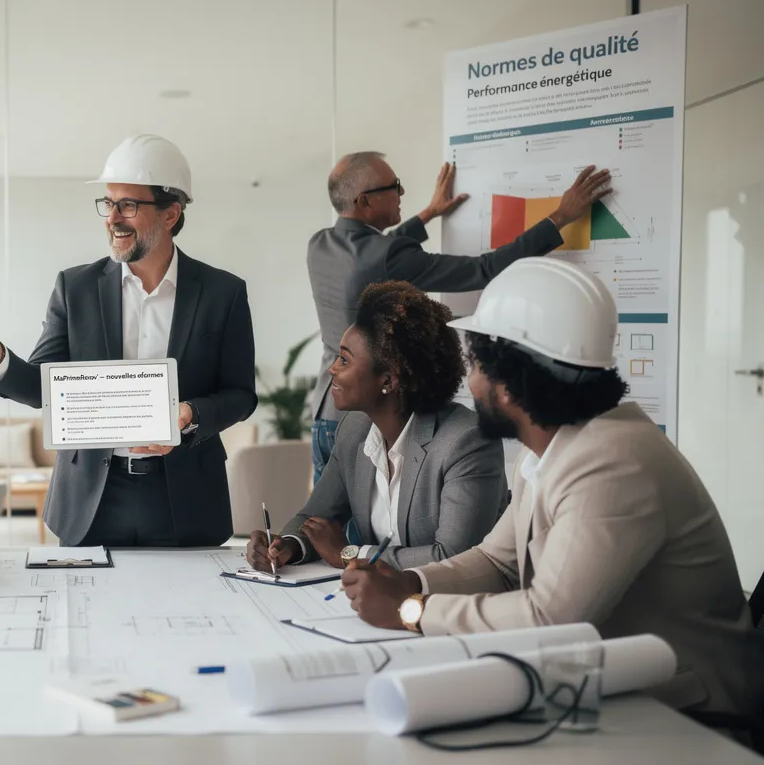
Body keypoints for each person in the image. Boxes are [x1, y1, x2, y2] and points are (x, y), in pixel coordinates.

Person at [340, 258, 763, 718]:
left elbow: (551, 618)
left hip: (691, 710)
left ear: (507, 384)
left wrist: (415, 610)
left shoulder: (613, 461)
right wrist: (412, 580)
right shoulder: (554, 444)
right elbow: (496, 561)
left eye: (475, 365)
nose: (470, 381)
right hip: (616, 677)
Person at [0, 134, 257, 547]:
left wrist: (190, 413)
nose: (112, 217)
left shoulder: (223, 292)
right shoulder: (75, 288)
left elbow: (240, 394)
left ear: (171, 214)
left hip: (187, 498)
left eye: (128, 205)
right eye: (108, 204)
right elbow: (43, 389)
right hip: (92, 499)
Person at [306, 152, 613, 485]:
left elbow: (376, 253)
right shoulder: (387, 256)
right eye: (394, 186)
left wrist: (427, 215)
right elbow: (485, 270)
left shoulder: (320, 244)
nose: (402, 193)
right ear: (365, 201)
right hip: (366, 420)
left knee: (326, 525)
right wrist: (561, 217)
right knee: (360, 532)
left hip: (326, 410)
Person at [246, 282, 505, 573]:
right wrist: (287, 547)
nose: (333, 369)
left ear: (388, 380)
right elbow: (314, 517)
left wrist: (349, 555)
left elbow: (454, 557)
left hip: (449, 606)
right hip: (374, 604)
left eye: (344, 359)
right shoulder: (354, 430)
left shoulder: (466, 440)